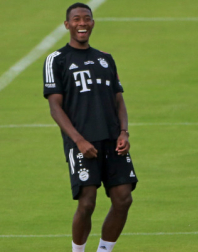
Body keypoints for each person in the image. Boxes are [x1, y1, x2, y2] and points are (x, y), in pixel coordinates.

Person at [43, 3, 138, 252]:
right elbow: (55, 108)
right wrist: (79, 141)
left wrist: (124, 132)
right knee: (87, 204)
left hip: (112, 140)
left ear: (93, 23)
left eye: (86, 18)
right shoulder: (57, 60)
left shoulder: (105, 59)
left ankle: (104, 250)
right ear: (67, 25)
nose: (81, 23)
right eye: (76, 19)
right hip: (83, 142)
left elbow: (118, 99)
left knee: (123, 199)